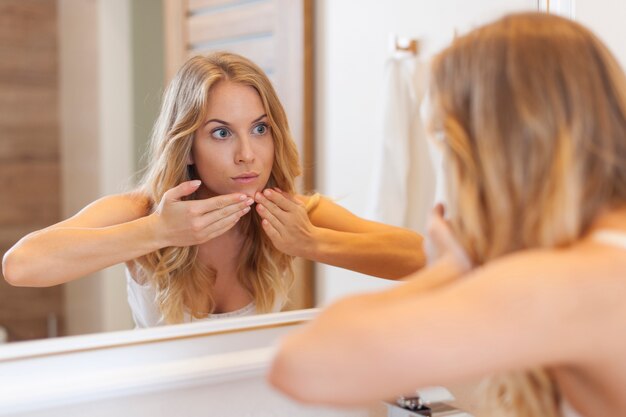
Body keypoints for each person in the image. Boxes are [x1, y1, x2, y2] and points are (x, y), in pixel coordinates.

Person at [269, 13, 626, 417]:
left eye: (446, 142)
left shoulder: (567, 278)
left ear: (493, 148)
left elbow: (300, 365)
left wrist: (449, 269)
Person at [2, 52, 424, 327]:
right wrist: (157, 232)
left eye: (259, 129)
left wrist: (314, 243)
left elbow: (430, 260)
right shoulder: (143, 211)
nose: (248, 154)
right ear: (187, 145)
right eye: (221, 133)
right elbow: (21, 265)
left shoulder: (289, 213)